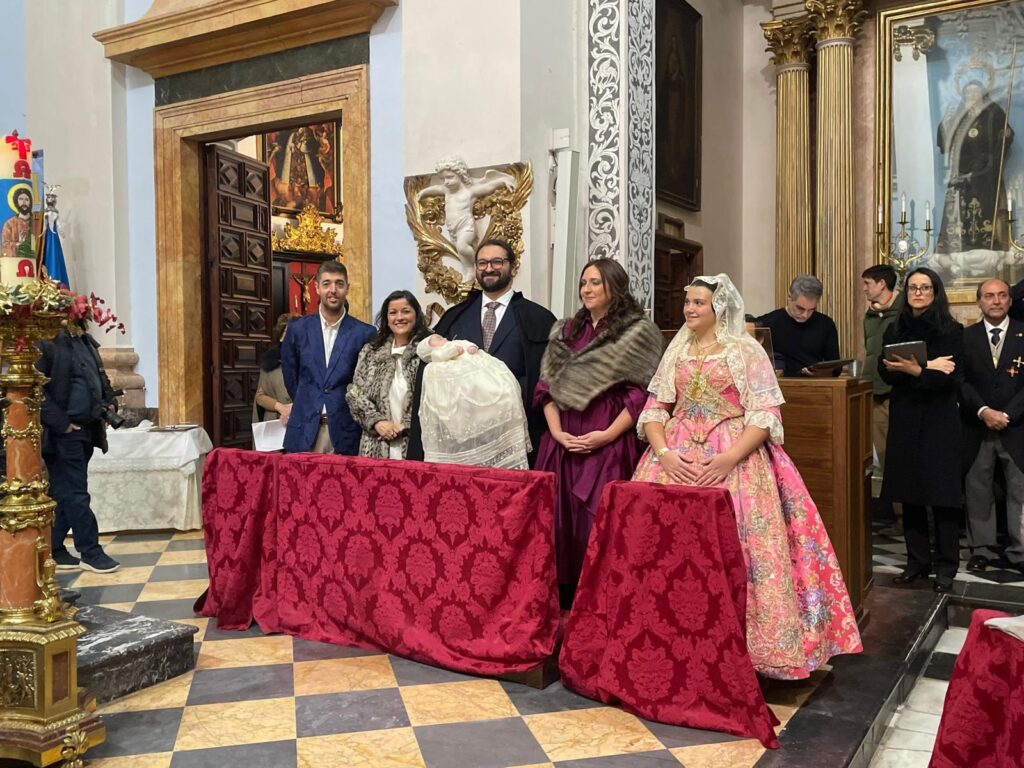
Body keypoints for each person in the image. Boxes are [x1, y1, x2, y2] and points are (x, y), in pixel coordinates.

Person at [633, 274, 861, 679]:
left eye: (699, 303)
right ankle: (667, 635)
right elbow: (655, 409)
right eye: (688, 302)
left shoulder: (745, 350)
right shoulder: (677, 351)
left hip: (736, 459)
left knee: (743, 550)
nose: (690, 309)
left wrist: (728, 458)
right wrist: (664, 453)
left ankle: (747, 648)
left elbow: (765, 414)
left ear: (718, 308)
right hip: (676, 458)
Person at [534, 258, 664, 605]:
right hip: (562, 439)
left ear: (614, 287)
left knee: (599, 522)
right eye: (583, 283)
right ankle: (562, 602)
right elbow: (545, 387)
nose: (586, 290)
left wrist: (606, 435)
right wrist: (557, 433)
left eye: (595, 283)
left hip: (609, 438)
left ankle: (604, 601)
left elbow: (641, 396)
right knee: (559, 525)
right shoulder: (567, 330)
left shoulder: (636, 332)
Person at [407, 239, 556, 465]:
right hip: (462, 444)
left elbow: (549, 382)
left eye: (497, 261)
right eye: (482, 263)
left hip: (514, 439)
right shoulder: (454, 317)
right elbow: (430, 377)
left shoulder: (540, 319)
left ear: (513, 267)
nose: (489, 268)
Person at [880, 267, 964, 594]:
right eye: (913, 288)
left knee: (942, 498)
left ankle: (946, 567)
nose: (918, 293)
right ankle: (917, 562)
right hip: (905, 419)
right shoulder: (895, 328)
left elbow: (952, 378)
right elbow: (885, 372)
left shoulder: (951, 330)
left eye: (925, 288)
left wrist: (915, 369)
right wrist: (925, 368)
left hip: (939, 422)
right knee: (910, 494)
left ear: (935, 292)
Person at [37, 321, 121, 573]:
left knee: (64, 492)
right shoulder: (45, 342)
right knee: (76, 493)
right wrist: (62, 424)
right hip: (63, 433)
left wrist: (110, 400)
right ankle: (90, 551)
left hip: (88, 428)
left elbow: (98, 374)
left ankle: (53, 548)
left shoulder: (84, 340)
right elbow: (36, 389)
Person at [960, 278, 1024, 576]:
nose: (996, 301)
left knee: (1019, 491)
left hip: (1017, 426)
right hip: (977, 426)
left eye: (1002, 296)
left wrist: (1007, 415)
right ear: (979, 301)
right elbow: (961, 381)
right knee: (978, 490)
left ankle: (1020, 551)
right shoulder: (966, 337)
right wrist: (984, 411)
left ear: (1010, 300)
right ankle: (981, 550)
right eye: (989, 296)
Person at [281, 259, 375, 455]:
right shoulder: (298, 329)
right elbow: (291, 376)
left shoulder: (364, 333)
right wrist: (308, 400)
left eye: (339, 284)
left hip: (346, 432)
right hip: (304, 429)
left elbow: (366, 383)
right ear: (316, 288)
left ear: (347, 288)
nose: (333, 290)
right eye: (327, 284)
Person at [415, 333, 531, 469]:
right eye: (438, 340)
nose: (444, 339)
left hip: (481, 367)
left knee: (492, 387)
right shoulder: (438, 356)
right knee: (467, 393)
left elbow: (468, 342)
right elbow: (440, 356)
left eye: (441, 337)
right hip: (463, 374)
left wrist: (471, 348)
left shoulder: (457, 341)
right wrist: (453, 350)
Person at [346, 290, 430, 459]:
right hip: (376, 445)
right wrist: (377, 422)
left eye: (406, 311)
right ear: (386, 318)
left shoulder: (428, 352)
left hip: (416, 444)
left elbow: (436, 399)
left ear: (416, 314)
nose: (399, 317)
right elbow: (355, 394)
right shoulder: (371, 351)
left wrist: (405, 424)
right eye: (393, 313)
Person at [936, 80, 1013, 254]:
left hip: (986, 168)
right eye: (968, 93)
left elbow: (1005, 133)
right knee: (959, 203)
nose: (971, 96)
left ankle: (987, 239)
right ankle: (961, 240)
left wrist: (1006, 136)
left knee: (984, 198)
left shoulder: (993, 112)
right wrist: (945, 125)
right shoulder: (959, 114)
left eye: (975, 92)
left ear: (982, 94)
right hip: (961, 168)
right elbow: (945, 141)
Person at [416, 156, 515, 278]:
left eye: (450, 177)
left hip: (466, 225)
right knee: (461, 251)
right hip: (452, 228)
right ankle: (471, 269)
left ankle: (477, 264)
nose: (446, 181)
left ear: (461, 175)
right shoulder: (446, 191)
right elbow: (435, 189)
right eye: (443, 179)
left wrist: (502, 182)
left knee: (462, 246)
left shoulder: (469, 192)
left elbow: (487, 187)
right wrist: (423, 192)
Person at [862, 264, 902, 514]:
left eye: (867, 283)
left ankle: (906, 513)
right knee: (884, 456)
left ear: (881, 284)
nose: (864, 289)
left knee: (900, 455)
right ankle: (892, 509)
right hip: (874, 391)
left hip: (895, 392)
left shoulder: (901, 313)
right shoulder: (870, 314)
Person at [757, 275, 840, 377]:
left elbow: (836, 368)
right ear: (789, 297)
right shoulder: (768, 323)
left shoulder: (826, 324)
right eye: (800, 308)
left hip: (817, 388)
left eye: (811, 310)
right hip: (781, 388)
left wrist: (820, 372)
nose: (805, 315)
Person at [252, 313, 299, 423]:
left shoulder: (313, 362)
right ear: (281, 337)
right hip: (276, 423)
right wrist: (280, 407)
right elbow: (260, 397)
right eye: (288, 332)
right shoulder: (270, 363)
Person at [2, 187, 33, 259]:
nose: (24, 202)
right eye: (21, 199)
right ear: (16, 202)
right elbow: (5, 246)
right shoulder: (9, 223)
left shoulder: (34, 223)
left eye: (27, 199)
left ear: (30, 202)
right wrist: (18, 244)